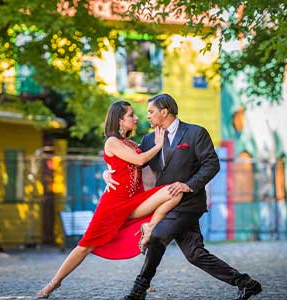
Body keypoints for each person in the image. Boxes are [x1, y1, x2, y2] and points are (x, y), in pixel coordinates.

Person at [104, 94, 262, 300]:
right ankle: (246, 283)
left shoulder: (195, 133)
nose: (147, 117)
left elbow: (212, 164)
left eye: (151, 112)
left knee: (157, 236)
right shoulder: (149, 139)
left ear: (164, 111)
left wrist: (188, 185)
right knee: (195, 254)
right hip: (165, 203)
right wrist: (106, 172)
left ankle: (138, 290)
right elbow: (130, 163)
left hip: (188, 203)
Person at [36, 100, 184, 299]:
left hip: (135, 201)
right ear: (120, 121)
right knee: (85, 246)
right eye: (131, 115)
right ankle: (52, 285)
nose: (136, 118)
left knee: (175, 192)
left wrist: (109, 171)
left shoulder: (131, 144)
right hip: (113, 205)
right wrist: (158, 146)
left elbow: (130, 162)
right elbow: (140, 160)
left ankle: (149, 227)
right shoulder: (111, 142)